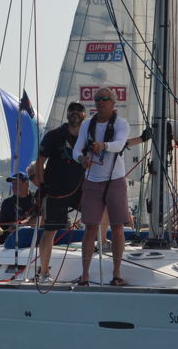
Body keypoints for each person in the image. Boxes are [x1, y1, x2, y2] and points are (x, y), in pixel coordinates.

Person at [72, 90, 132, 286]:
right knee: (90, 227)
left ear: (113, 103)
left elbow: (119, 144)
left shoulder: (121, 124)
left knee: (117, 227)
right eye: (97, 99)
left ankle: (117, 273)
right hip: (92, 179)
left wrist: (103, 146)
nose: (100, 102)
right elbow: (76, 149)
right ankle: (85, 274)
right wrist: (81, 159)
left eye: (105, 99)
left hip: (115, 179)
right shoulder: (87, 125)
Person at [36, 101, 87, 280]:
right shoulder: (54, 135)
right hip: (55, 190)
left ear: (84, 115)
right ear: (67, 114)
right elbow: (39, 162)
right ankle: (44, 272)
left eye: (79, 111)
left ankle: (93, 259)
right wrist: (42, 187)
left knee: (97, 215)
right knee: (50, 230)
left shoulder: (88, 137)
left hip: (79, 188)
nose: (75, 113)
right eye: (72, 110)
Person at [0, 167, 41, 245]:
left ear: (26, 184)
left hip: (35, 243)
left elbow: (41, 219)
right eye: (13, 184)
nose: (13, 186)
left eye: (16, 183)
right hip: (13, 244)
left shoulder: (37, 199)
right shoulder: (7, 203)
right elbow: (2, 227)